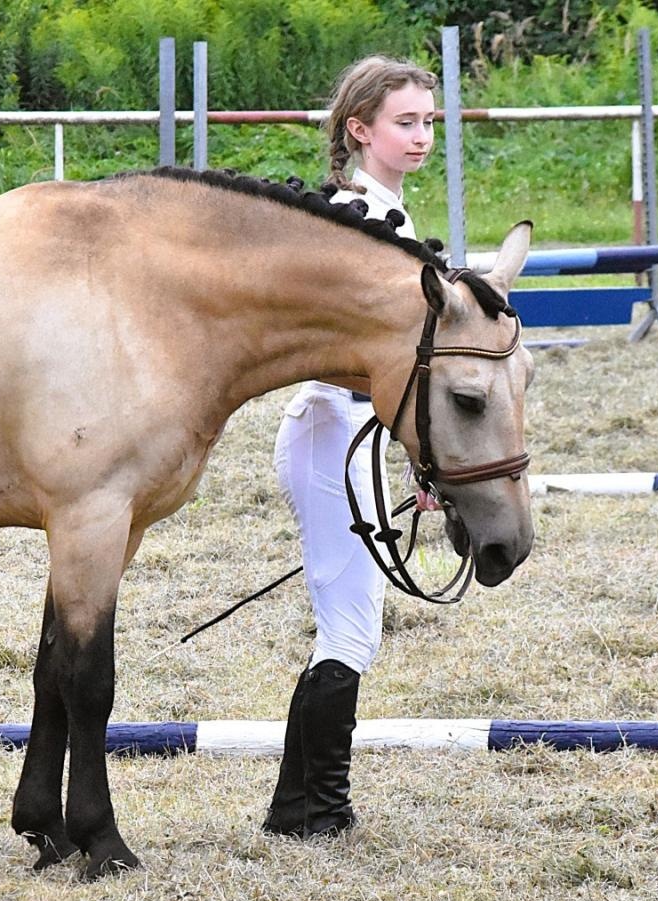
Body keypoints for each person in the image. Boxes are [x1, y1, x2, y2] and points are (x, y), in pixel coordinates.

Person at [263, 56, 439, 839]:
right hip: (334, 429)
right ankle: (315, 811)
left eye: (429, 121)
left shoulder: (384, 214)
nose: (422, 135)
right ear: (358, 129)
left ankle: (300, 806)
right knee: (349, 627)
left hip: (353, 433)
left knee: (350, 623)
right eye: (406, 122)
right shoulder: (359, 219)